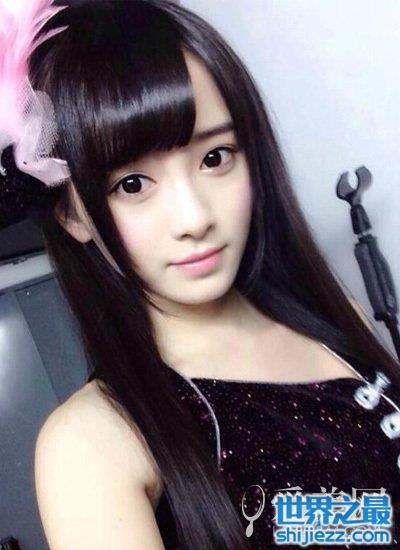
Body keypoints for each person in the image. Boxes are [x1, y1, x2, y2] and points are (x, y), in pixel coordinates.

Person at [1, 1, 400, 548]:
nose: (195, 218)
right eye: (132, 185)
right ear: (72, 214)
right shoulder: (94, 445)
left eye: (215, 157)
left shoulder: (332, 314)